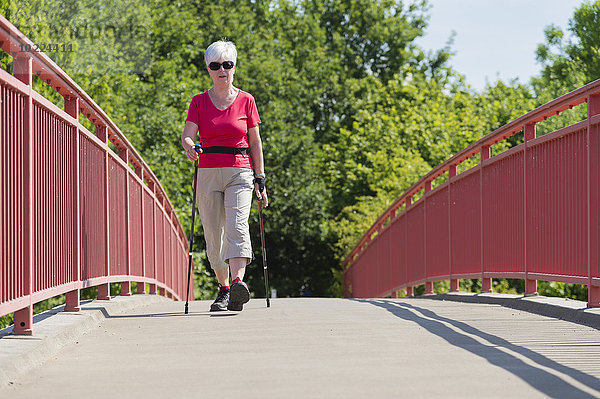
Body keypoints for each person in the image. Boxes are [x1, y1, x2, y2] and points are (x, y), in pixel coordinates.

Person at [181, 40, 268, 312]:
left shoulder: (246, 100)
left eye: (227, 65)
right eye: (216, 65)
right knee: (213, 235)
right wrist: (188, 146)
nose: (222, 70)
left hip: (240, 170)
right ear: (208, 69)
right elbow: (187, 135)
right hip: (207, 171)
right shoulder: (198, 102)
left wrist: (260, 177)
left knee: (237, 225)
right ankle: (224, 288)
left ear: (234, 67)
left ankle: (238, 283)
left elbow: (255, 142)